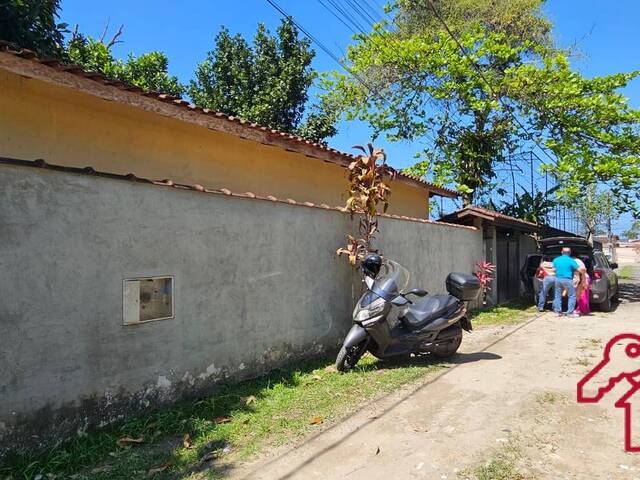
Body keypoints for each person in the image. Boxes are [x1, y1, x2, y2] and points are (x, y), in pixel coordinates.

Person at [552, 247, 585, 317]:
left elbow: (554, 270)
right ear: (570, 253)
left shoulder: (556, 260)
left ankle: (558, 312)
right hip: (568, 279)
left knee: (557, 295)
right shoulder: (571, 260)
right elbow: (579, 270)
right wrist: (584, 271)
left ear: (562, 252)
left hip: (558, 279)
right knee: (572, 295)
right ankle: (570, 313)